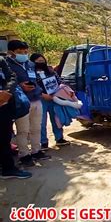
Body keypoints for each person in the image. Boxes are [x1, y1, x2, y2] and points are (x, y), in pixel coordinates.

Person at [6, 40, 50, 166]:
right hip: (22, 103)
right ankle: (24, 155)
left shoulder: (30, 64)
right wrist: (20, 86)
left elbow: (36, 78)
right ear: (11, 52)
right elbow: (7, 82)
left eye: (25, 52)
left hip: (36, 99)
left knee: (36, 128)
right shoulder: (7, 65)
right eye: (20, 52)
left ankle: (36, 151)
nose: (23, 54)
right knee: (23, 131)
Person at [0, 48, 32, 179]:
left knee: (4, 138)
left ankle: (7, 169)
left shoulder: (1, 60)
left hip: (3, 106)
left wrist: (7, 92)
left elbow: (12, 76)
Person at [30, 53, 69, 149]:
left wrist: (59, 93)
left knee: (56, 118)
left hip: (54, 98)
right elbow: (32, 86)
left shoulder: (50, 71)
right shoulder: (31, 73)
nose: (41, 63)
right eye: (38, 61)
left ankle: (59, 138)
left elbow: (59, 82)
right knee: (41, 122)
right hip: (40, 99)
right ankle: (43, 142)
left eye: (42, 61)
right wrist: (42, 95)